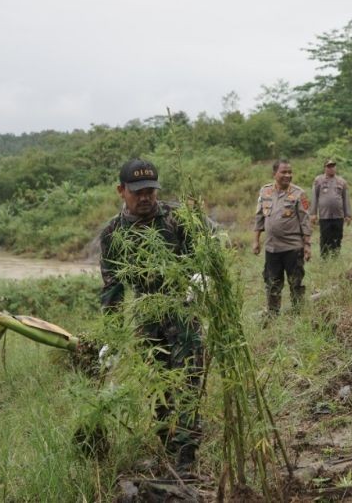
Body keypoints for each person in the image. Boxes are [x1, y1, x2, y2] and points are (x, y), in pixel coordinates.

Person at [99, 158, 203, 472]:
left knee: (188, 381)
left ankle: (187, 454)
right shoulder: (113, 233)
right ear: (121, 190)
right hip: (147, 317)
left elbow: (204, 252)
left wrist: (201, 276)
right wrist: (113, 336)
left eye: (151, 191)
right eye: (137, 191)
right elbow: (112, 288)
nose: (145, 197)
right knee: (157, 386)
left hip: (183, 312)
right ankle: (167, 444)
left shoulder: (176, 218)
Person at [253, 159, 311, 316]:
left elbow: (305, 221)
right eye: (284, 172)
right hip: (272, 248)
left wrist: (307, 245)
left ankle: (298, 313)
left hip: (293, 248)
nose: (288, 175)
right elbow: (259, 217)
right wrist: (256, 241)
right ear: (274, 174)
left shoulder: (299, 193)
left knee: (296, 283)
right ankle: (273, 315)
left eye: (290, 172)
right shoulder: (265, 192)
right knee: (272, 283)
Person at [311, 160, 352, 257]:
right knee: (325, 237)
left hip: (338, 216)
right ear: (325, 168)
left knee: (337, 236)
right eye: (329, 166)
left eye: (333, 166)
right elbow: (314, 197)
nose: (331, 168)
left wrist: (348, 215)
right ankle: (324, 258)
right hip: (324, 216)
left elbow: (346, 199)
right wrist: (313, 213)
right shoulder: (318, 180)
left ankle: (335, 256)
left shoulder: (341, 181)